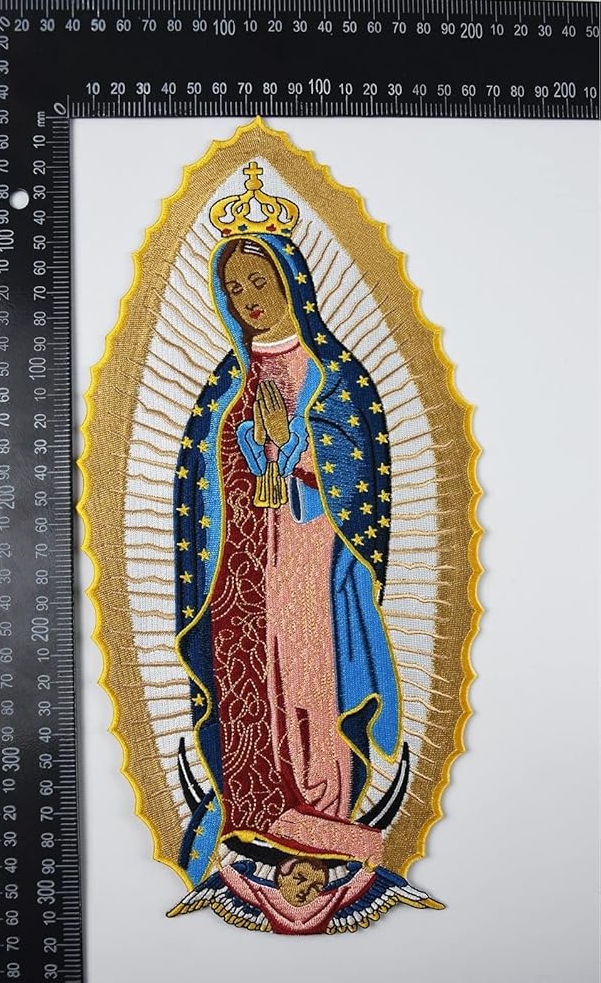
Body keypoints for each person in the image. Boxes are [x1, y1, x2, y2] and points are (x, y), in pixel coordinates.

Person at [170, 172, 402, 892]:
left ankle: (320, 812)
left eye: (259, 281)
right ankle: (253, 809)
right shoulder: (226, 383)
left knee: (302, 677)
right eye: (234, 288)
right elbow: (200, 480)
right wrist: (250, 456)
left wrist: (295, 456)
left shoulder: (336, 377)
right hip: (238, 558)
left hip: (307, 551)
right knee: (246, 680)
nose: (248, 298)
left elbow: (353, 471)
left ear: (292, 282)